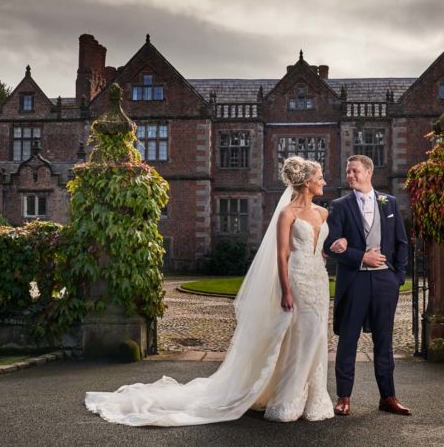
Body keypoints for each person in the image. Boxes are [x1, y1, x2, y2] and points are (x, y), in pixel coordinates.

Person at [84, 156, 334, 425]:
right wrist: (285, 291)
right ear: (307, 182)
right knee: (301, 337)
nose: (324, 182)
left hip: (318, 278)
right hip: (296, 279)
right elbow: (282, 255)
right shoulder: (288, 213)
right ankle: (288, 398)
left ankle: (313, 397)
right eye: (320, 177)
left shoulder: (323, 212)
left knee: (317, 335)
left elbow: (320, 249)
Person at [326, 154, 411, 416]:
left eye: (354, 171)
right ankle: (344, 397)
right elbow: (331, 248)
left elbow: (401, 243)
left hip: (385, 282)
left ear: (368, 173)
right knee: (348, 340)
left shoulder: (390, 203)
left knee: (384, 341)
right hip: (354, 282)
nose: (350, 175)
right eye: (348, 171)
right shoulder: (339, 205)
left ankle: (388, 397)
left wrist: (397, 278)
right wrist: (361, 256)